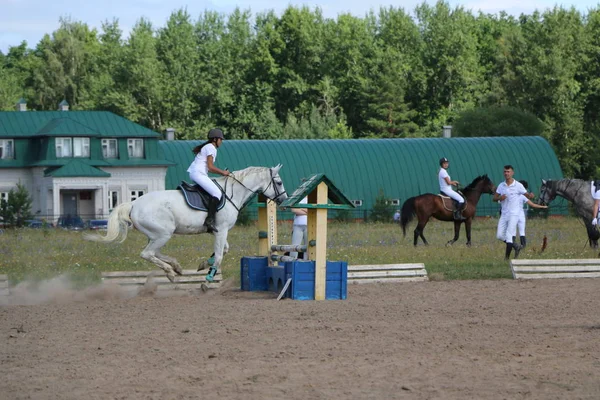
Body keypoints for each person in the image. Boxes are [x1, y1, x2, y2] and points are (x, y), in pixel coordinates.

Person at [187, 128, 230, 232]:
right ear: (215, 139)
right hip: (198, 174)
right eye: (221, 139)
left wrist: (220, 172)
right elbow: (210, 167)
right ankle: (209, 220)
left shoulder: (208, 147)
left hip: (197, 173)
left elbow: (208, 168)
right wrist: (223, 173)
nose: (221, 141)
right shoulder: (211, 147)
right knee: (217, 193)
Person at [493, 165, 538, 260]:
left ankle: (506, 259)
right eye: (505, 171)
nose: (506, 173)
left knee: (509, 235)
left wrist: (531, 196)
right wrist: (500, 198)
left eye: (508, 171)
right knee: (500, 235)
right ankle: (516, 246)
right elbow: (494, 198)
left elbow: (527, 195)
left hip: (514, 214)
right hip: (504, 214)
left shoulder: (518, 185)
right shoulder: (501, 185)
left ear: (512, 173)